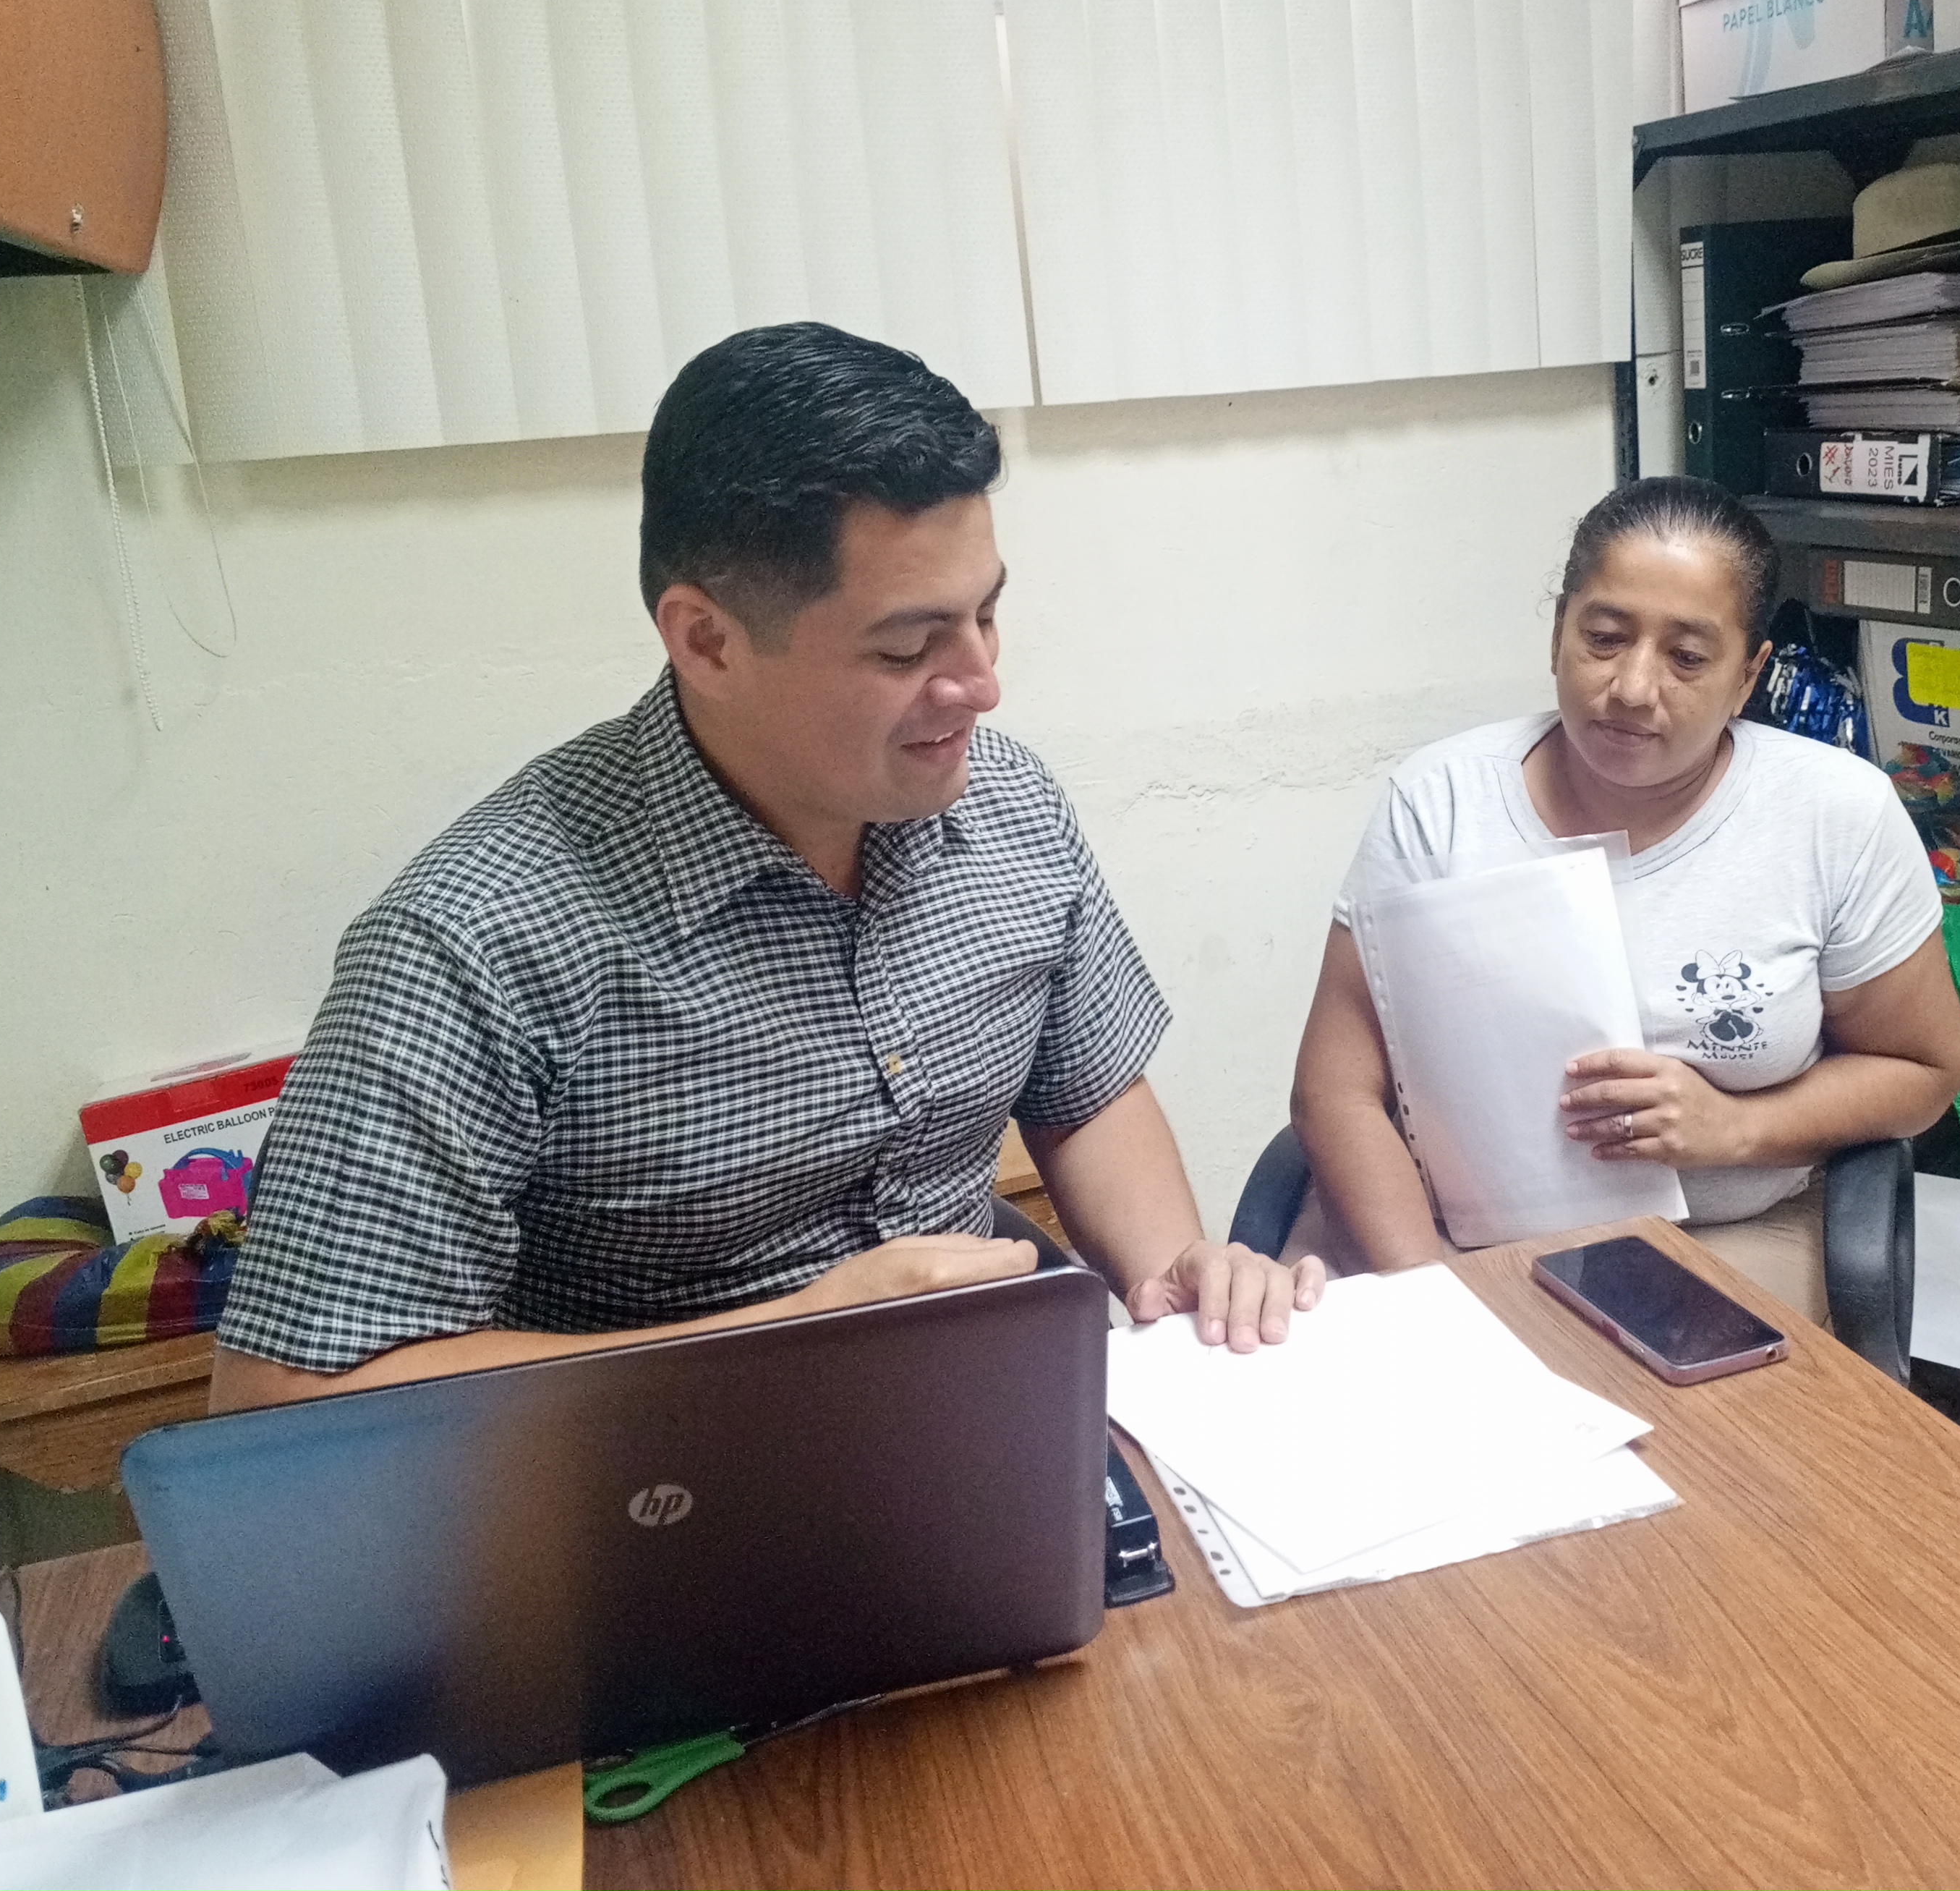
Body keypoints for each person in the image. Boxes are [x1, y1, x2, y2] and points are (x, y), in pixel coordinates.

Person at [211, 326, 1322, 1411]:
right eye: (907, 647)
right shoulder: (477, 942)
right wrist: (790, 1338)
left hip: (981, 1414)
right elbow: (281, 1396)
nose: (982, 683)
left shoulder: (1008, 805)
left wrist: (1171, 1271)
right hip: (656, 1484)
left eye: (987, 613)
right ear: (707, 641)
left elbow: (1088, 1096)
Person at [1285, 476, 1960, 1323]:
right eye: (1604, 639)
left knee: (1652, 1403)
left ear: (1747, 675)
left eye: (1687, 658)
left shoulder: (1833, 814)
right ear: (1556, 635)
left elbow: (1921, 1070)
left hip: (1714, 1239)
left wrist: (1733, 1127)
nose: (1634, 688)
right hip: (1431, 1240)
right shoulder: (1441, 801)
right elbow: (1336, 1090)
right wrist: (1436, 1300)